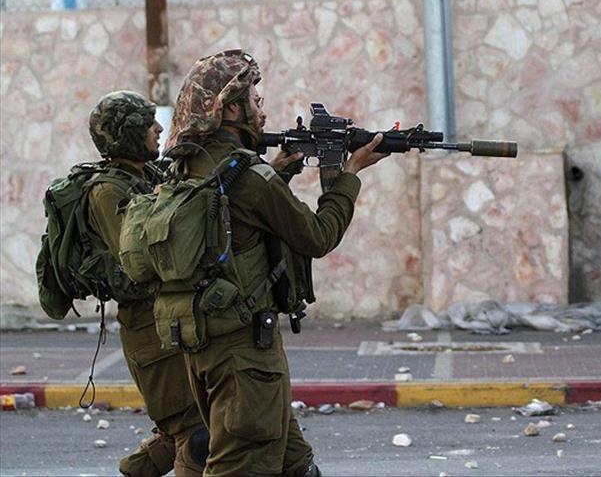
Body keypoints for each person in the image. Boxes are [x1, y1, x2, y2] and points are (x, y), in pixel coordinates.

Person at [161, 49, 388, 476]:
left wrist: (277, 172)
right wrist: (350, 176)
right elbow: (317, 237)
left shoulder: (189, 167)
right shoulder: (250, 176)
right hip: (245, 357)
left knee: (294, 465)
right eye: (254, 100)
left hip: (207, 346)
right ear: (231, 109)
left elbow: (230, 226)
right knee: (242, 466)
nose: (261, 109)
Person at [86, 91, 208, 477]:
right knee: (195, 436)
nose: (157, 128)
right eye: (146, 124)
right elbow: (139, 263)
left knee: (182, 429)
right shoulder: (108, 191)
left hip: (171, 323)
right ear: (125, 134)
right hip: (149, 333)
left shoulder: (148, 176)